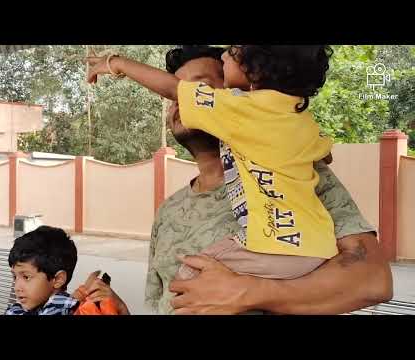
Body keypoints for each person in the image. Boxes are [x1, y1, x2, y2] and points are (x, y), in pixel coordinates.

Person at [143, 46, 392, 314]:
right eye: (172, 93)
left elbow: (372, 281)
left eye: (200, 86)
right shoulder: (168, 210)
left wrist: (250, 292)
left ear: (240, 93)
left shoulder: (298, 174)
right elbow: (157, 304)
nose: (181, 98)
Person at [87, 45, 341, 287]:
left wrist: (116, 63)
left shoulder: (242, 108)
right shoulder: (298, 119)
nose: (225, 57)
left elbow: (173, 88)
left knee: (189, 276)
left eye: (231, 53)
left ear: (256, 71)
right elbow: (324, 152)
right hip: (317, 246)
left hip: (276, 248)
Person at [5, 226, 123, 315]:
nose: (17, 287)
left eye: (26, 277)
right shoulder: (23, 309)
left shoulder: (60, 307)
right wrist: (82, 292)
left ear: (58, 279)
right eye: (15, 277)